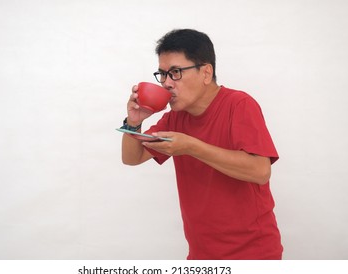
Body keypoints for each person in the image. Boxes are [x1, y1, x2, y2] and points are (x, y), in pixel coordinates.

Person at [120, 29, 283, 260]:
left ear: (206, 72)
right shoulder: (177, 116)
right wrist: (133, 123)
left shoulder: (239, 105)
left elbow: (260, 171)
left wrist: (191, 146)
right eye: (162, 74)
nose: (166, 83)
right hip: (201, 257)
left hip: (252, 255)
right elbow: (132, 158)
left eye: (175, 72)